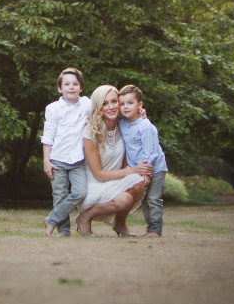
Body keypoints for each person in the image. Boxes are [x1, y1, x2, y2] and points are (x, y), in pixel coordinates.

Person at [75, 85, 153, 236]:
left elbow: (127, 161)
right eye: (105, 103)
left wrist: (140, 112)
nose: (111, 107)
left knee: (140, 181)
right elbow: (98, 174)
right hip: (94, 184)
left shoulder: (124, 125)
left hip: (115, 180)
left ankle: (120, 223)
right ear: (98, 107)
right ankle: (85, 217)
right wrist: (132, 170)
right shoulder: (90, 132)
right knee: (124, 200)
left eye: (114, 101)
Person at [41, 67, 91, 237]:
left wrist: (140, 112)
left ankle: (52, 219)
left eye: (75, 84)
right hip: (57, 159)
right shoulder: (53, 108)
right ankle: (63, 231)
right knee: (59, 195)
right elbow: (47, 137)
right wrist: (46, 161)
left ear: (81, 87)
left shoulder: (87, 104)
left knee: (80, 192)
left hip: (78, 160)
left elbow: (105, 107)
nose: (71, 87)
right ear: (59, 88)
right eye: (67, 84)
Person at [117, 84, 169, 238]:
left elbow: (150, 153)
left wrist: (146, 173)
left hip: (155, 168)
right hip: (138, 168)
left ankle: (155, 230)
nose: (126, 107)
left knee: (153, 199)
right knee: (145, 200)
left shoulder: (146, 127)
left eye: (130, 103)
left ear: (140, 105)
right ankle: (150, 228)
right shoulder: (122, 122)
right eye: (122, 104)